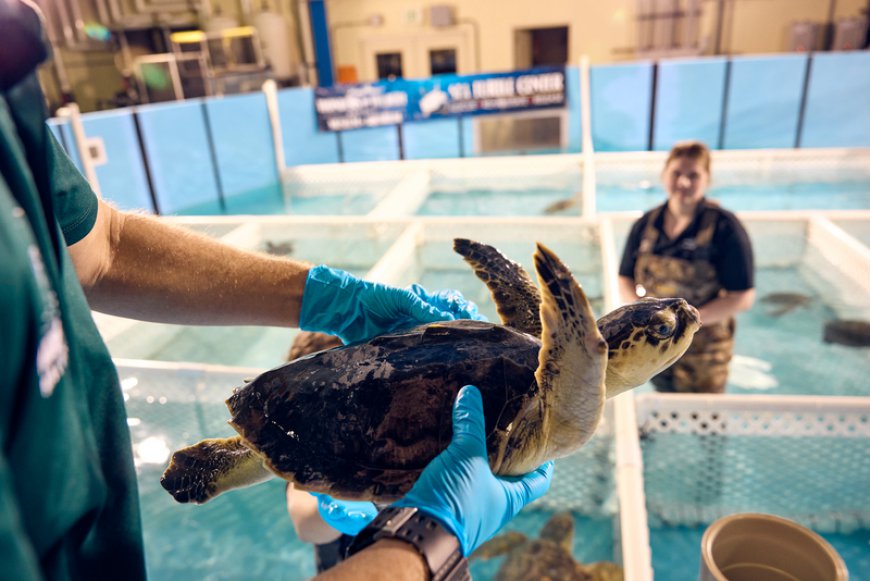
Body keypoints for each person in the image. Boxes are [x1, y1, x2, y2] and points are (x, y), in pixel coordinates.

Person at [0, 1, 552, 578]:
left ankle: (236, 460)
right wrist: (431, 535)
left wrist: (328, 295)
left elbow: (101, 246)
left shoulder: (10, 92)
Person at [618, 140, 755, 393]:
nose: (683, 182)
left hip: (705, 353)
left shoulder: (726, 229)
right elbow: (624, 277)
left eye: (693, 175)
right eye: (677, 174)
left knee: (705, 424)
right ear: (664, 175)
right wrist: (637, 316)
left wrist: (686, 324)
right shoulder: (646, 225)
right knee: (658, 407)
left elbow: (742, 298)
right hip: (655, 347)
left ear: (707, 179)